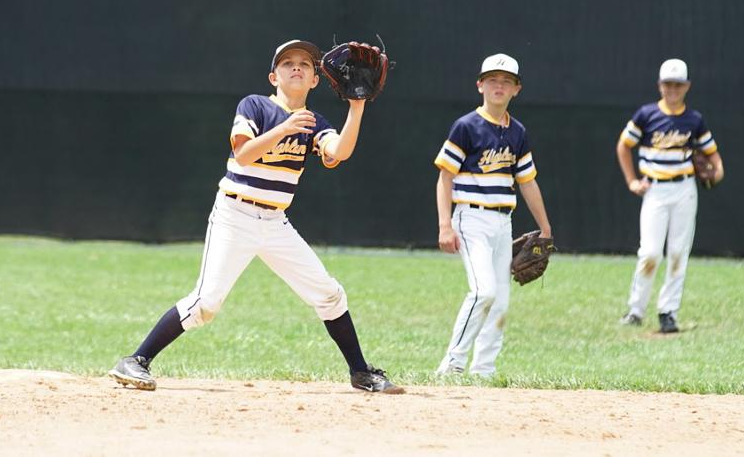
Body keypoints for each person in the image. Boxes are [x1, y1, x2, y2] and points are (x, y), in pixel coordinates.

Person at [109, 39, 403, 394]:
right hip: (234, 216)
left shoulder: (314, 122)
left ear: (315, 80)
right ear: (273, 77)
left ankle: (360, 372)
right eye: (287, 63)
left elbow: (338, 151)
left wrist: (357, 106)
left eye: (305, 64)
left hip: (276, 223)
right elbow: (244, 154)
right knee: (206, 303)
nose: (297, 67)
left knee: (329, 294)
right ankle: (136, 360)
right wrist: (284, 128)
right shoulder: (255, 106)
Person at [433, 53, 553, 378]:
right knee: (483, 292)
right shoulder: (466, 126)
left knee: (499, 300)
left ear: (516, 89)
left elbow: (527, 182)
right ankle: (452, 364)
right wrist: (445, 225)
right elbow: (445, 177)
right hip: (471, 219)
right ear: (480, 85)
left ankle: (483, 369)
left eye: (506, 81)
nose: (498, 86)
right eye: (492, 80)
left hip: (503, 222)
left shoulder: (518, 132)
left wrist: (545, 228)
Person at [616, 58, 724, 334]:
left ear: (687, 86)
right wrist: (631, 181)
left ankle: (668, 312)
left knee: (677, 252)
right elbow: (623, 146)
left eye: (678, 84)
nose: (672, 89)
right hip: (655, 190)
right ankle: (636, 310)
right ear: (659, 85)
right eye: (668, 84)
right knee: (650, 252)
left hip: (684, 190)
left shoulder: (694, 120)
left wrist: (718, 171)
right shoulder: (646, 115)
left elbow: (712, 153)